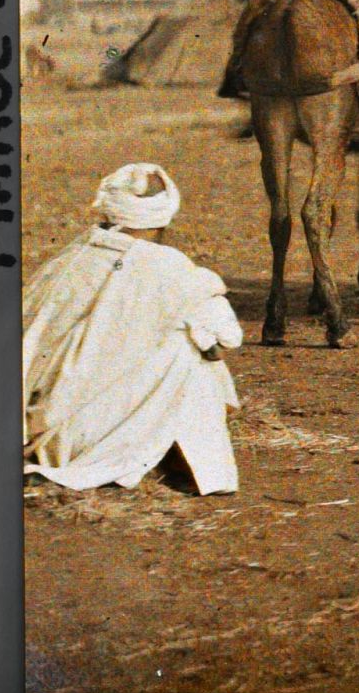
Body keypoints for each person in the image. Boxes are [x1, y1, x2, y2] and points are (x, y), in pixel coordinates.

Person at [23, 165, 243, 496]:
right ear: (164, 216)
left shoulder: (65, 260)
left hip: (37, 431)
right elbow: (229, 338)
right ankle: (190, 465)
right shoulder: (172, 268)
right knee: (190, 348)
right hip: (89, 438)